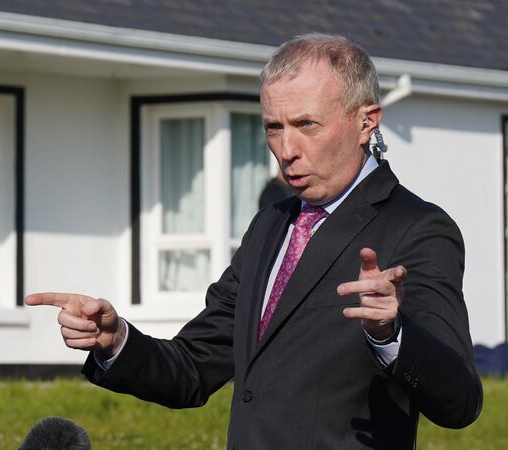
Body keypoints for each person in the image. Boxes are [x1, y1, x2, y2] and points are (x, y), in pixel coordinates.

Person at [27, 33, 482, 449]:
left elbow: (460, 402)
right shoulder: (270, 224)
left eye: (307, 125)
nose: (286, 150)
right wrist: (115, 340)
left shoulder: (419, 228)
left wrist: (392, 334)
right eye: (273, 127)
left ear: (366, 122)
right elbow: (192, 368)